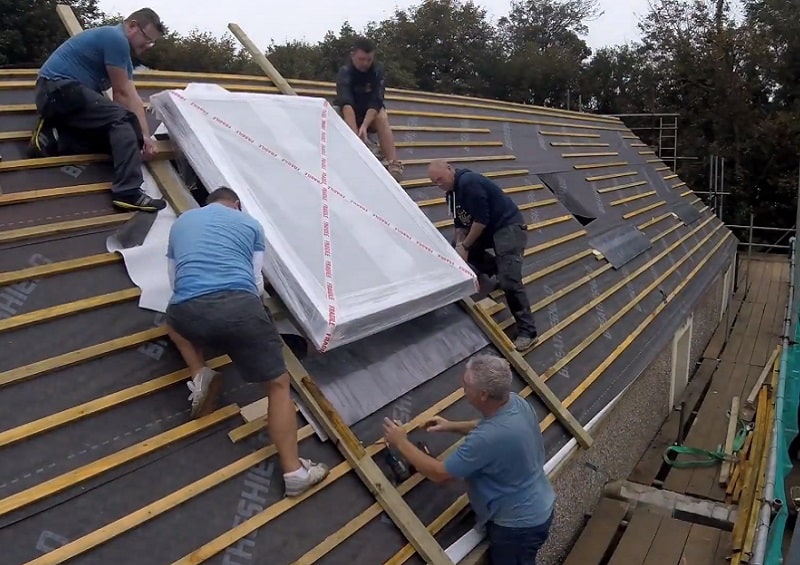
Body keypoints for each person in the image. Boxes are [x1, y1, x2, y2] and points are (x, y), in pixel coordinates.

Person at [164, 186, 329, 497]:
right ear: (236, 205)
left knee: (172, 324)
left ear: (207, 204)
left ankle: (199, 372)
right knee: (278, 386)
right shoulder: (250, 224)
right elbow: (254, 282)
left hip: (188, 310)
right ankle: (294, 472)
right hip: (239, 306)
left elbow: (175, 281)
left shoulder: (181, 222)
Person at [383, 354, 555, 564]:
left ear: (483, 395)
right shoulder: (516, 403)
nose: (462, 388)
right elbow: (486, 427)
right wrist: (450, 426)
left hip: (518, 527)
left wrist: (401, 442)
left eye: (466, 385)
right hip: (539, 504)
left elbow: (440, 474)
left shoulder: (487, 439)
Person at [30, 8, 166, 213]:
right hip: (56, 89)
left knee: (118, 136)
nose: (148, 46)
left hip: (66, 98)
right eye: (146, 39)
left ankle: (53, 137)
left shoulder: (124, 59)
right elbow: (120, 95)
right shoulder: (116, 38)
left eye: (151, 43)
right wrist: (135, 131)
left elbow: (133, 97)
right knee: (123, 122)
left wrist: (144, 137)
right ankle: (127, 192)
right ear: (132, 26)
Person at [428, 159, 537, 351]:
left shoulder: (469, 182)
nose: (439, 184)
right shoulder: (451, 196)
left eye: (440, 179)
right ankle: (497, 267)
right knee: (458, 246)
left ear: (449, 169)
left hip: (507, 227)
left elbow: (481, 220)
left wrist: (467, 246)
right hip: (489, 233)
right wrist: (460, 247)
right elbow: (460, 225)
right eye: (434, 183)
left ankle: (528, 331)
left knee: (510, 282)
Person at [334, 37, 404, 181]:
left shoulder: (377, 70)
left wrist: (365, 125)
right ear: (352, 55)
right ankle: (356, 149)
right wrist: (356, 138)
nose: (365, 63)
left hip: (368, 113)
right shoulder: (345, 72)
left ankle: (393, 163)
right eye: (361, 59)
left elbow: (377, 100)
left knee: (382, 116)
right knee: (333, 111)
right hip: (348, 112)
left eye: (369, 59)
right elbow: (347, 104)